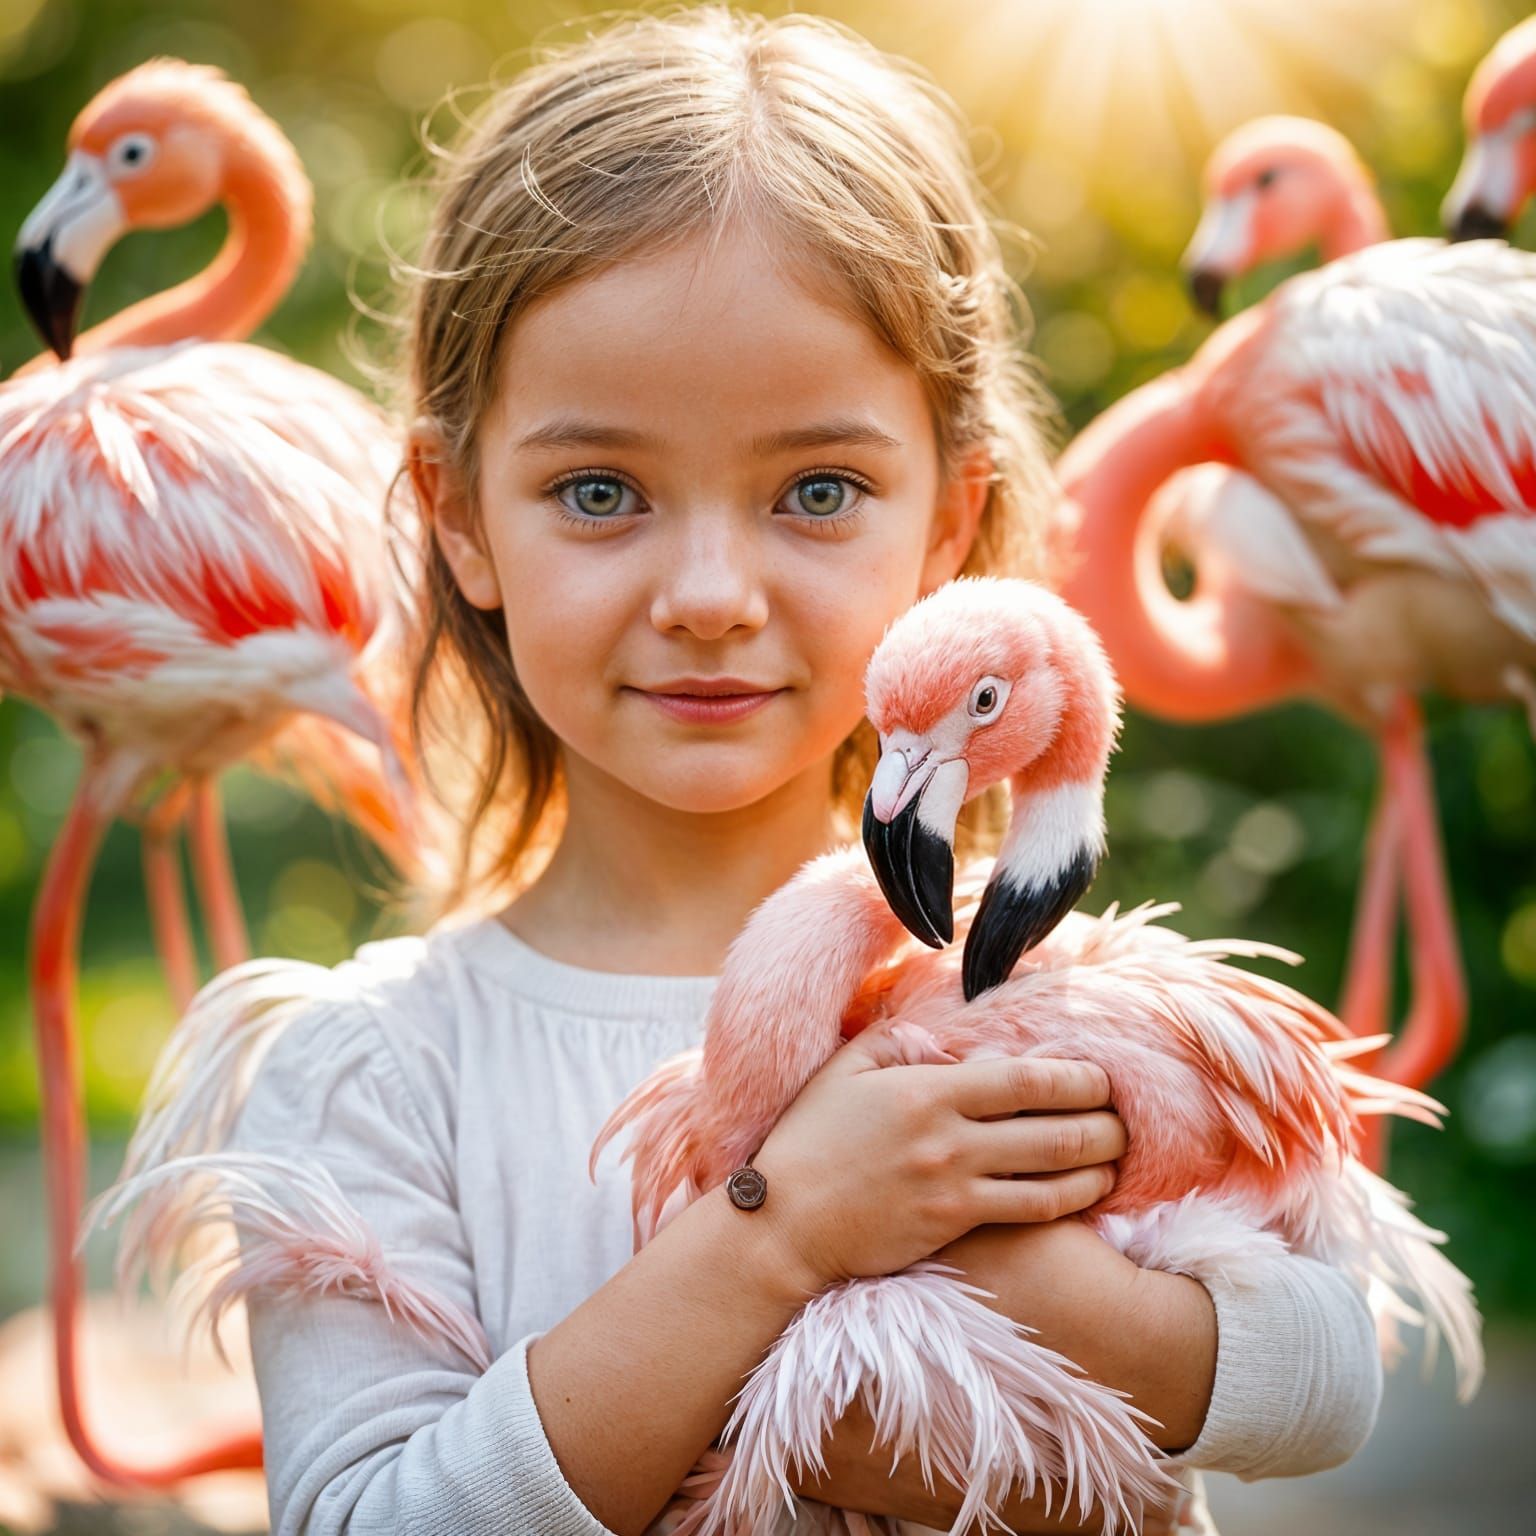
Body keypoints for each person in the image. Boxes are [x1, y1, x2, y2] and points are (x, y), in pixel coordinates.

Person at [106, 8, 1383, 1533]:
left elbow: (1325, 1380)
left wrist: (962, 1249)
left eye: (818, 489)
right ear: (458, 519)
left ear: (947, 526)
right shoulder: (382, 1077)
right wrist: (779, 1239)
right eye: (601, 489)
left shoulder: (1044, 1006)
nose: (711, 590)